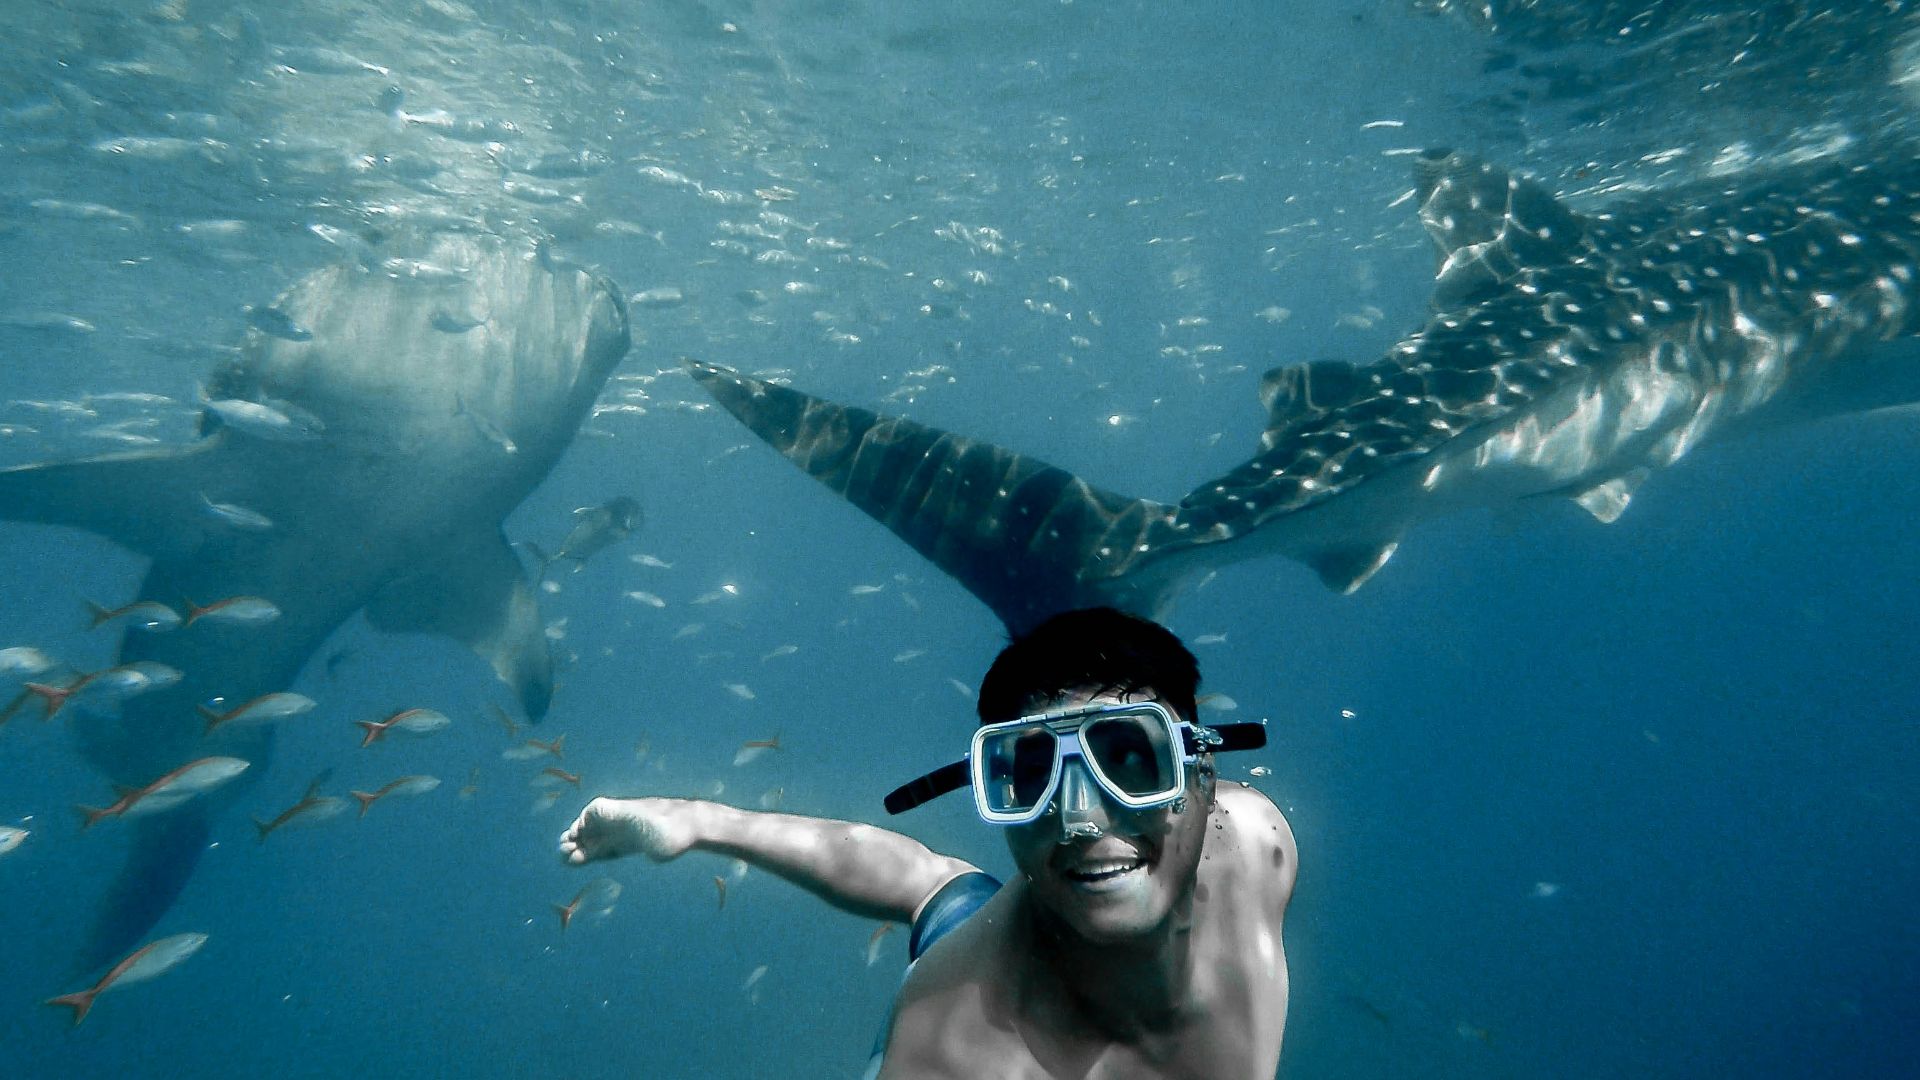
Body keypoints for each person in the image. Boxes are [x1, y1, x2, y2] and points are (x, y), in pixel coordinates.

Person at [559, 607, 1298, 1078]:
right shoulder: (950, 1053)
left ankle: (701, 820)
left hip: (1013, 928)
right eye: (1029, 774)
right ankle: (701, 820)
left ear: (1204, 777)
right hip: (976, 980)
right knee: (951, 914)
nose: (1080, 818)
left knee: (942, 889)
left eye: (1132, 760)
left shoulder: (1257, 843)